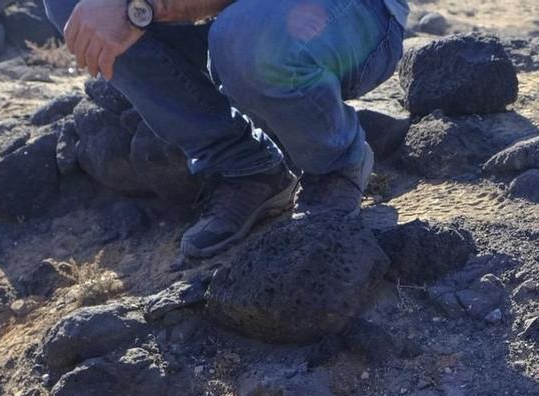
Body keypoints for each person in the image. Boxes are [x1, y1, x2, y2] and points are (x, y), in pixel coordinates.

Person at [45, 0, 406, 259]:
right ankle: (247, 167)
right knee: (75, 5)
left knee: (244, 38)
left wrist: (137, 7)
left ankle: (336, 163)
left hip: (349, 15)